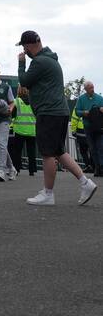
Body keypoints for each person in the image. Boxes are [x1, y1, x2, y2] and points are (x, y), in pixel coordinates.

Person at [17, 32, 96, 206]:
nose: (24, 50)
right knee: (59, 151)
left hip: (49, 113)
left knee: (47, 153)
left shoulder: (39, 62)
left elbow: (24, 80)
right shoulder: (51, 60)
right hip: (59, 111)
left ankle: (48, 193)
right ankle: (86, 183)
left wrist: (21, 63)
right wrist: (26, 99)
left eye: (24, 46)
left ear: (30, 45)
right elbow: (41, 91)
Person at [72, 81, 103, 177]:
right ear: (85, 89)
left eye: (93, 87)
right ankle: (97, 168)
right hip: (88, 127)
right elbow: (77, 111)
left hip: (99, 127)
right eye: (90, 88)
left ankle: (102, 167)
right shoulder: (81, 99)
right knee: (92, 148)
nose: (92, 89)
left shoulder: (100, 98)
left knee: (100, 147)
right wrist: (83, 113)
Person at [8, 88, 37, 177]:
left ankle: (17, 169)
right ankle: (32, 171)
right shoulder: (34, 102)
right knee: (31, 151)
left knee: (17, 151)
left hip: (19, 130)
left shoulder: (16, 101)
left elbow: (12, 114)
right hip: (32, 130)